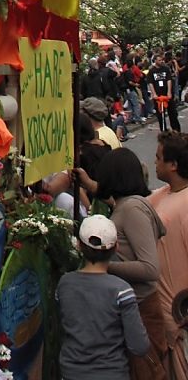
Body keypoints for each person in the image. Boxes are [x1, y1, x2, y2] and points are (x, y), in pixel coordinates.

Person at [77, 149, 167, 380]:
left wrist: (103, 265)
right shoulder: (127, 205)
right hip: (135, 307)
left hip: (141, 309)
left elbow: (150, 268)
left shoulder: (132, 209)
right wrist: (89, 184)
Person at [57, 215, 149, 380]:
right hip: (112, 373)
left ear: (78, 245)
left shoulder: (65, 284)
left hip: (71, 373)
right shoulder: (122, 291)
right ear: (116, 248)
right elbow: (139, 346)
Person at [148, 132, 188, 380]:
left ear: (173, 165)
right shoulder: (163, 193)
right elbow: (131, 207)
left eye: (158, 157)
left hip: (181, 315)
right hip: (165, 313)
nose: (155, 162)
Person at [148, 55, 175, 132]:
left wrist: (169, 92)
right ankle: (163, 130)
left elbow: (169, 80)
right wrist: (154, 94)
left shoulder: (166, 69)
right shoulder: (152, 71)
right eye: (159, 60)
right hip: (158, 94)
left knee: (172, 112)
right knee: (160, 114)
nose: (161, 61)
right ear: (155, 61)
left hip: (166, 93)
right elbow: (150, 83)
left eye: (162, 60)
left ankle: (176, 129)